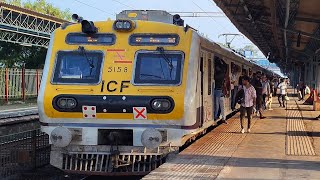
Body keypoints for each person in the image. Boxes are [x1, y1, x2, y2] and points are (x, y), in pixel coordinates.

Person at [213, 56, 228, 123]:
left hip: (217, 90)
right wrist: (221, 59)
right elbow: (225, 65)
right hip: (221, 90)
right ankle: (223, 117)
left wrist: (219, 60)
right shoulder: (223, 71)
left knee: (217, 104)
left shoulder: (218, 74)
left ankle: (216, 116)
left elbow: (215, 78)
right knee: (222, 104)